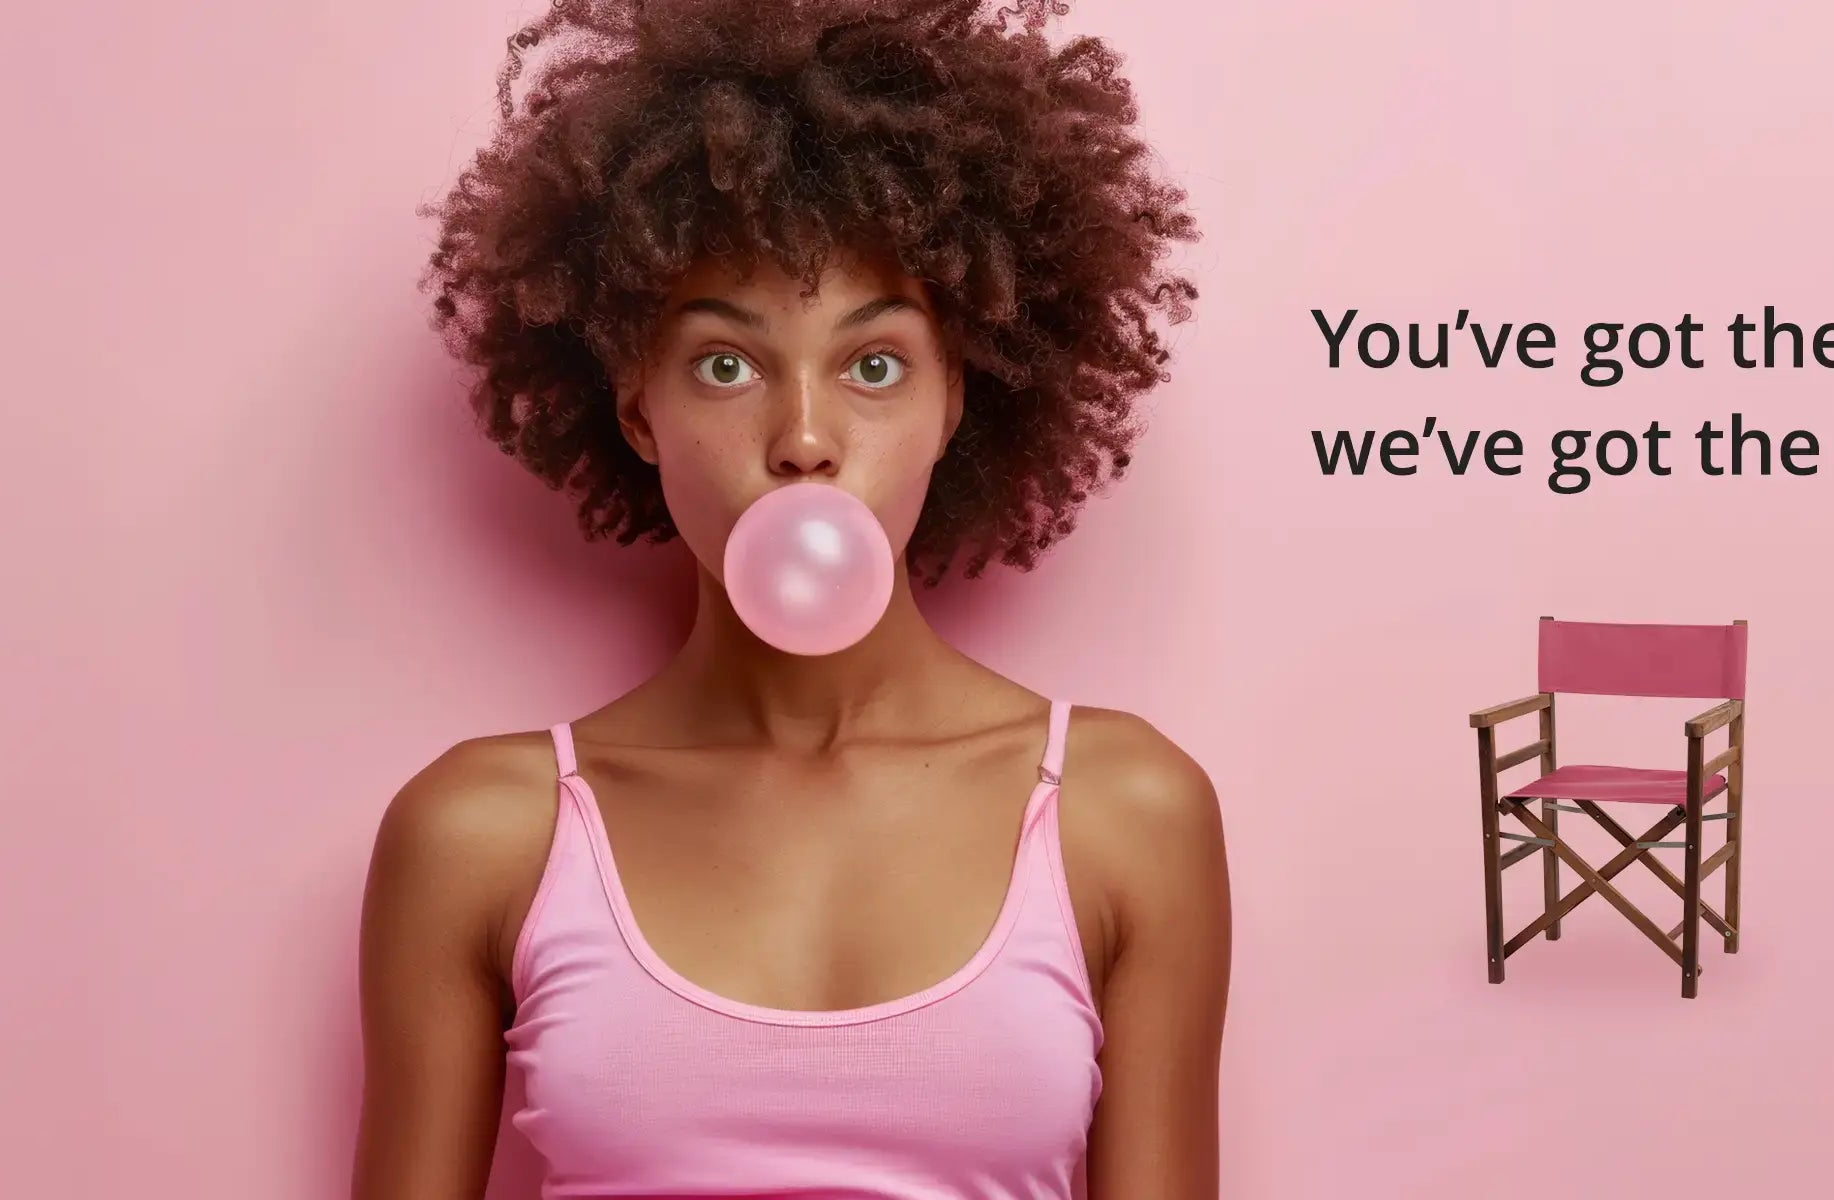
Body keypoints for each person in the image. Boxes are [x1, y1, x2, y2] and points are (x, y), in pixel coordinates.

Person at [349, 2, 1226, 1197]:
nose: (804, 438)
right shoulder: (482, 833)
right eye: (726, 362)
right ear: (636, 408)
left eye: (873, 366)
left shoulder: (1121, 814)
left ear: (953, 400)